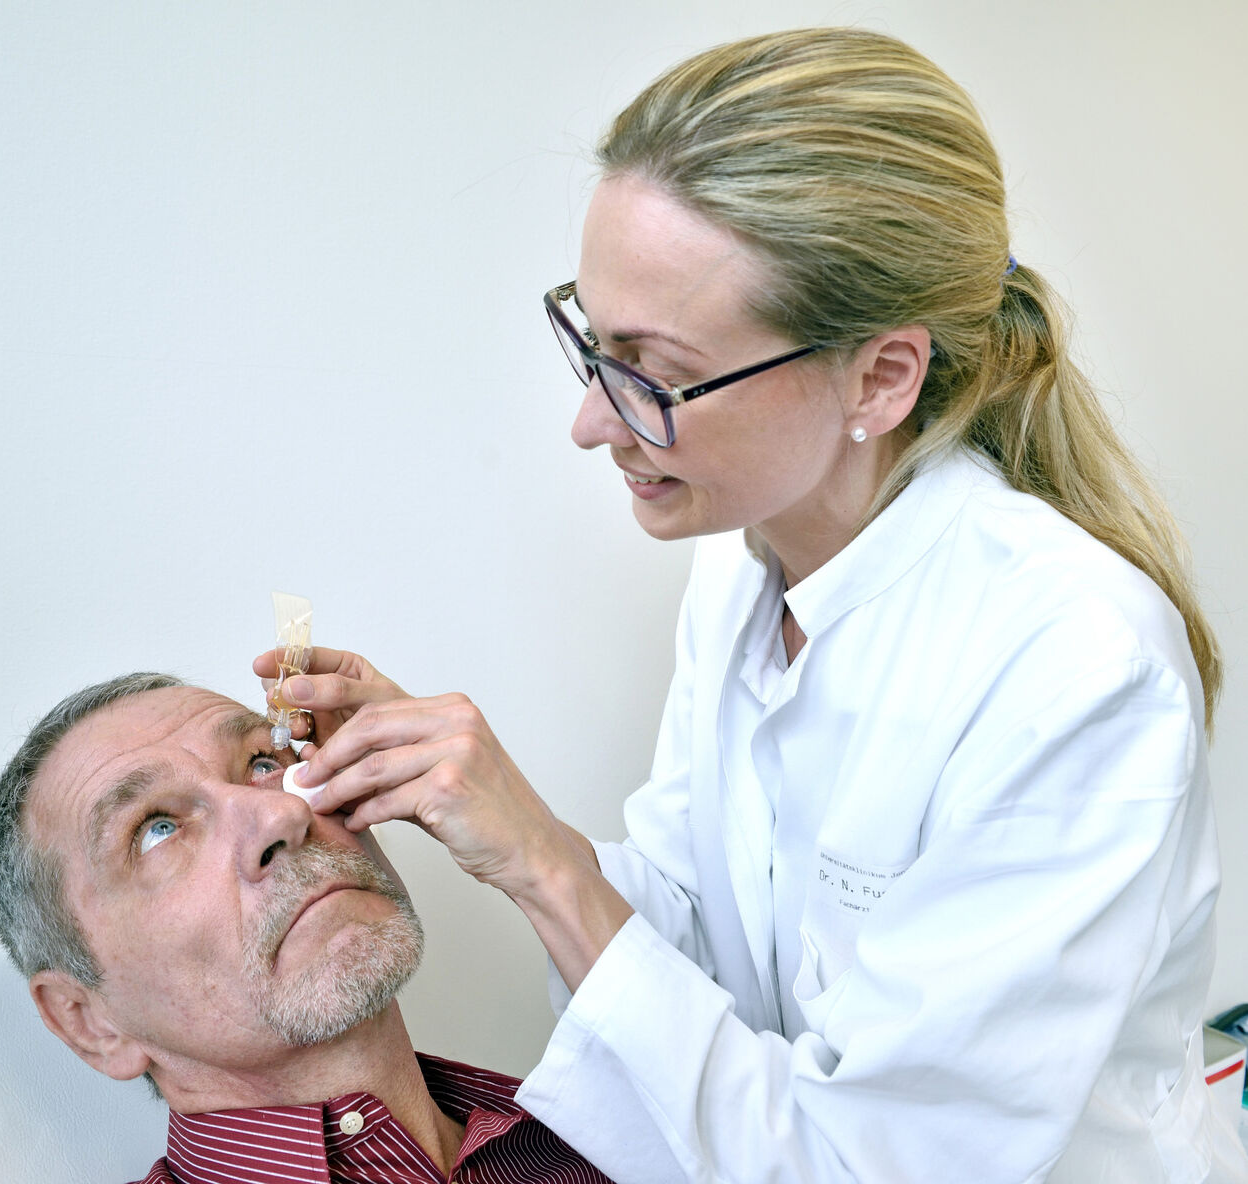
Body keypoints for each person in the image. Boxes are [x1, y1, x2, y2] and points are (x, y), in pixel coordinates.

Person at [261, 26, 1248, 1184]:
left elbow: (877, 1163)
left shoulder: (1075, 662)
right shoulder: (744, 564)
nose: (592, 421)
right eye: (591, 339)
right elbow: (703, 940)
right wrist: (477, 805)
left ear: (880, 376)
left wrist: (544, 864)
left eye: (655, 371)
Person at [0, 672, 615, 1184]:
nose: (282, 811)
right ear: (90, 1022)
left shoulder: (610, 1130)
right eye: (157, 829)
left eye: (263, 760)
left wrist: (545, 862)